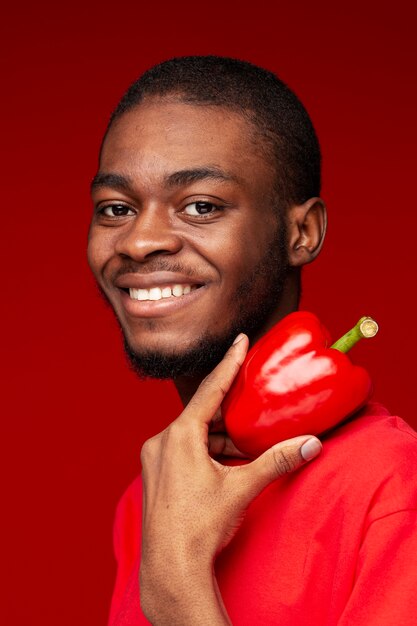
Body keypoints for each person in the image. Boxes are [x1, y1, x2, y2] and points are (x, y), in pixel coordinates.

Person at [88, 56, 417, 625]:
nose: (139, 241)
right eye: (116, 208)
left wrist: (179, 589)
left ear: (302, 232)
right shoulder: (151, 496)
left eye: (201, 206)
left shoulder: (393, 491)